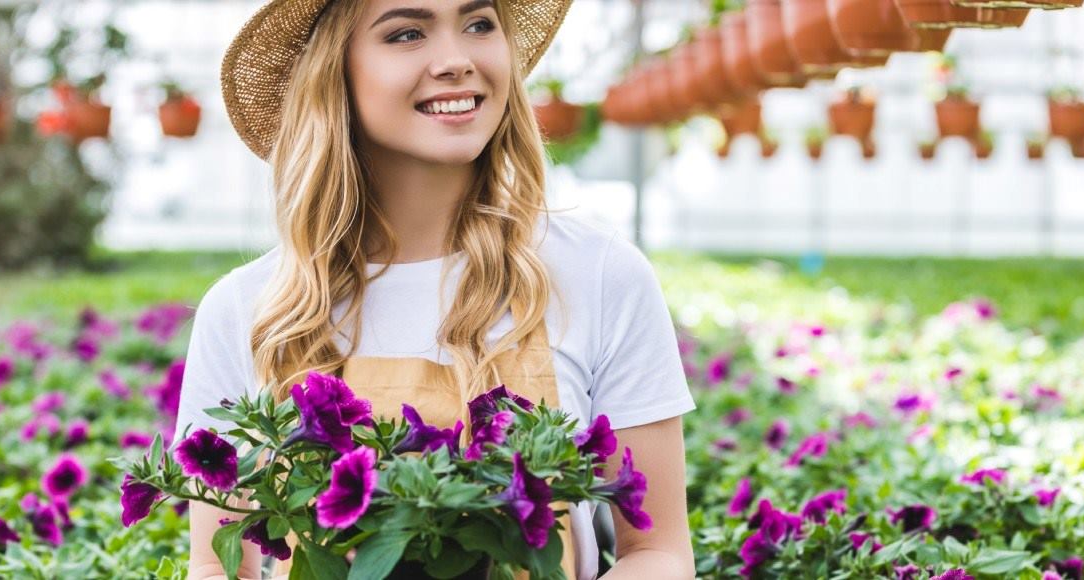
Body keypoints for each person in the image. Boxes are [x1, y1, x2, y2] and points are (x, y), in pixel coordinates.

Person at [175, 0, 696, 578]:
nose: (456, 60)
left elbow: (657, 551)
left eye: (478, 24)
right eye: (405, 34)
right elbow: (219, 567)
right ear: (334, 71)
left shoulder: (600, 275)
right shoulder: (248, 308)